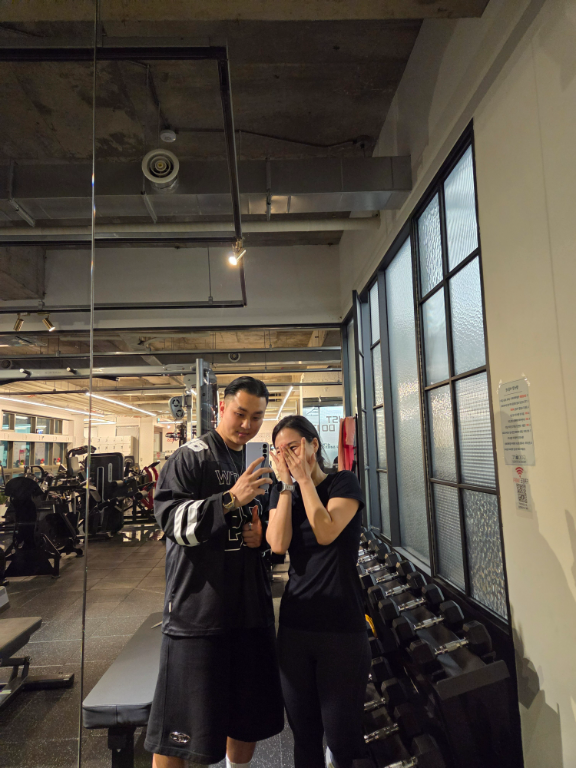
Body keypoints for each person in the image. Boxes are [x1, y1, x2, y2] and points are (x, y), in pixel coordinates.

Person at [145, 377, 284, 768]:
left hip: (250, 611)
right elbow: (172, 523)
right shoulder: (191, 458)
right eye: (240, 414)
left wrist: (260, 538)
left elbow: (268, 527)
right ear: (221, 408)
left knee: (247, 721)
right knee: (179, 731)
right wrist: (229, 499)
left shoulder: (257, 460)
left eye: (256, 417)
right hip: (199, 614)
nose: (247, 425)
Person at [266, 415, 370, 768]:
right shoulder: (283, 492)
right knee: (305, 738)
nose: (288, 457)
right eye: (280, 451)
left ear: (314, 444)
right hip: (296, 628)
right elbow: (277, 544)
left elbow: (325, 531)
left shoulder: (343, 482)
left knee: (341, 739)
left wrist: (304, 481)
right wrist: (286, 487)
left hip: (342, 629)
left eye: (294, 448)